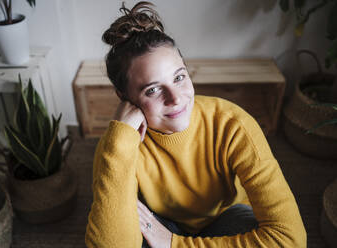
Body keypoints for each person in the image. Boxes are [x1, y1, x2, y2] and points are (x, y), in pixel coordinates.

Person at [85, 1, 306, 247]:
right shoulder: (118, 144)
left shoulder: (232, 124)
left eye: (179, 77)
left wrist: (172, 243)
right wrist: (120, 144)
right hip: (161, 221)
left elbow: (291, 239)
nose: (176, 98)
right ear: (124, 97)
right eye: (153, 89)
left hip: (226, 220)